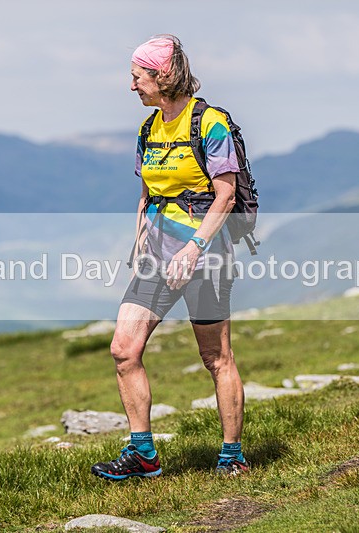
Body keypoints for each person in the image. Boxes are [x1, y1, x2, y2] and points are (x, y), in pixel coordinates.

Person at [91, 34, 249, 480]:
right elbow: (146, 193)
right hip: (156, 256)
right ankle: (143, 453)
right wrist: (139, 240)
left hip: (204, 255)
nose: (132, 86)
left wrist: (194, 247)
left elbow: (226, 194)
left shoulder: (209, 123)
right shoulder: (149, 129)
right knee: (124, 349)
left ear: (162, 77)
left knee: (216, 357)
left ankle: (232, 454)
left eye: (137, 77)